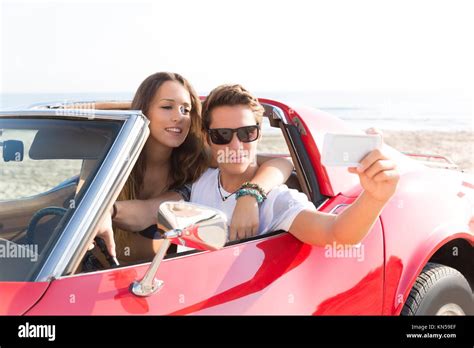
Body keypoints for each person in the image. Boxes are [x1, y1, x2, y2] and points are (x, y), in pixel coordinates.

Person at [94, 73, 294, 265]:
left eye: (186, 110)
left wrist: (250, 194)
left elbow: (282, 163)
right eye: (167, 107)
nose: (178, 117)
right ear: (144, 111)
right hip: (102, 273)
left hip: (159, 279)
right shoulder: (112, 159)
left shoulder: (199, 160)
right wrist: (101, 213)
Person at [190, 84, 400, 245]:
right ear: (207, 139)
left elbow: (336, 233)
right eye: (222, 135)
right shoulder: (200, 181)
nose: (236, 146)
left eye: (247, 133)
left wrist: (374, 197)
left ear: (259, 135)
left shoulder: (276, 200)